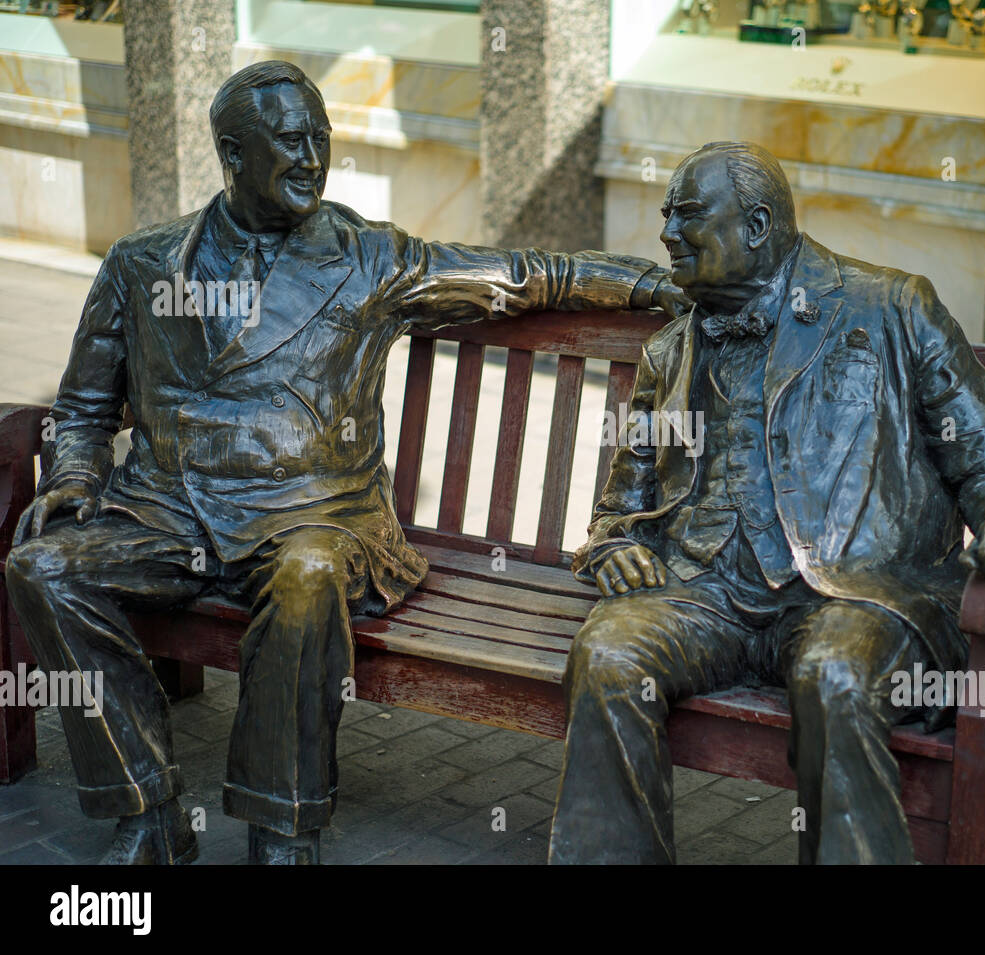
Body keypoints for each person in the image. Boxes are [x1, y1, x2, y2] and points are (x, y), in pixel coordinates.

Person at [5, 60, 679, 865]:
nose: (312, 158)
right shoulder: (143, 263)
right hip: (167, 514)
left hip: (317, 516)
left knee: (309, 572)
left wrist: (655, 283)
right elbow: (83, 408)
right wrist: (77, 475)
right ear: (231, 151)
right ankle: (144, 811)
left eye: (321, 138)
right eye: (290, 141)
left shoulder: (370, 257)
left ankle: (282, 828)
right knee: (44, 567)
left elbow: (528, 275)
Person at [548, 141, 985, 865]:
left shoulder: (889, 306)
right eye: (666, 215)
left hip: (854, 594)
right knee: (606, 652)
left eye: (688, 216)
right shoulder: (670, 351)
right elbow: (620, 508)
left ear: (756, 225)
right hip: (708, 593)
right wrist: (616, 544)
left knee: (835, 674)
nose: (666, 233)